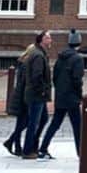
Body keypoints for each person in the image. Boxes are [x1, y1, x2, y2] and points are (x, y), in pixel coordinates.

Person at [37, 30, 85, 159]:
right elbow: (77, 80)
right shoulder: (78, 59)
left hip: (61, 95)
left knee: (55, 124)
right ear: (79, 43)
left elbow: (55, 77)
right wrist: (79, 96)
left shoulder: (61, 57)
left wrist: (60, 90)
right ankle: (81, 151)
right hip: (72, 97)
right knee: (77, 125)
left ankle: (43, 148)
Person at [21, 30, 53, 159]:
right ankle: (28, 150)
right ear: (42, 40)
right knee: (33, 122)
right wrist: (43, 90)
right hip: (36, 94)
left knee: (43, 119)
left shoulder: (40, 53)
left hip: (38, 94)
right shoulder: (38, 55)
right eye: (48, 38)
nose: (50, 40)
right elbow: (37, 75)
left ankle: (34, 145)